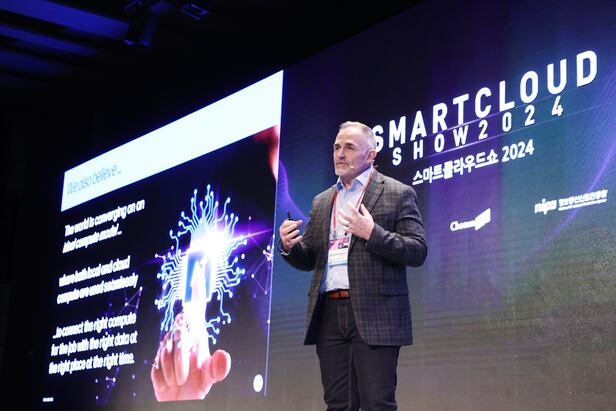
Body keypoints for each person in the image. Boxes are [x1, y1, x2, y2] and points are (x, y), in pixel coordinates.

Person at [279, 121, 427, 410]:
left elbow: (417, 249)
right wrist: (289, 246)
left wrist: (372, 233)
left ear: (370, 155)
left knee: (377, 403)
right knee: (338, 405)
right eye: (336, 147)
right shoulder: (322, 201)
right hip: (329, 313)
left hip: (376, 313)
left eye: (349, 147)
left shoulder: (397, 192)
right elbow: (310, 258)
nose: (340, 153)